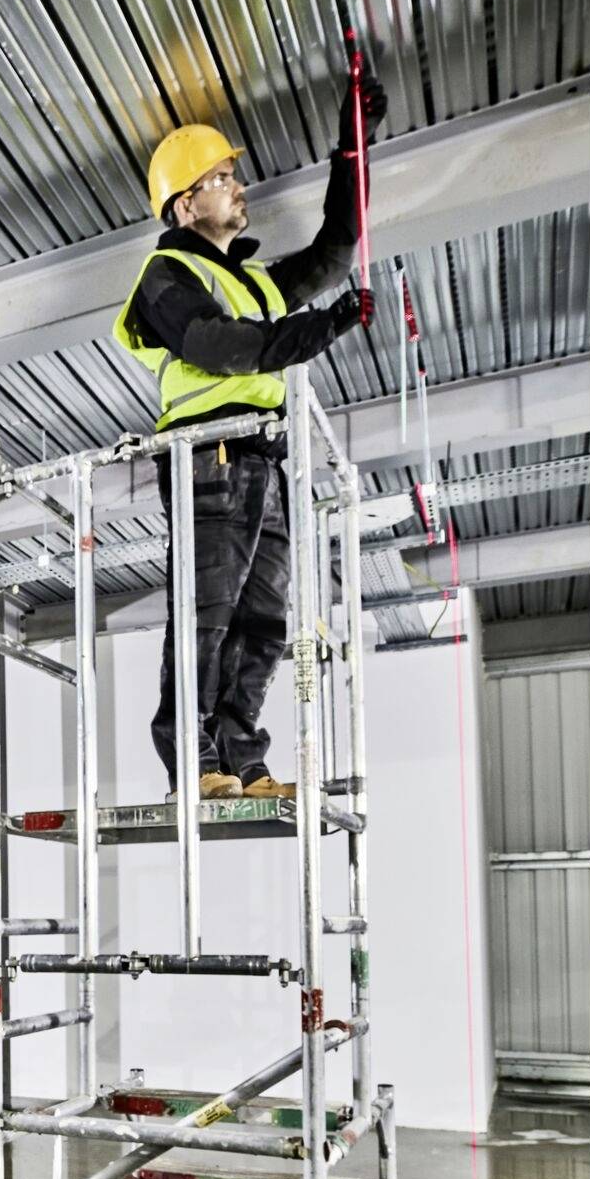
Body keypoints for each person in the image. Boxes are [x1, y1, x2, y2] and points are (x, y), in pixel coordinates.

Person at [112, 78, 387, 800]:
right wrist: (322, 326)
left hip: (263, 460)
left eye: (233, 176)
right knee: (207, 614)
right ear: (183, 204)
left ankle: (239, 755)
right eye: (221, 179)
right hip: (209, 453)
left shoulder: (259, 282)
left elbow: (335, 249)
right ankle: (193, 758)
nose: (238, 187)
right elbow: (219, 347)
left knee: (262, 622)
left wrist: (352, 148)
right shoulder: (167, 274)